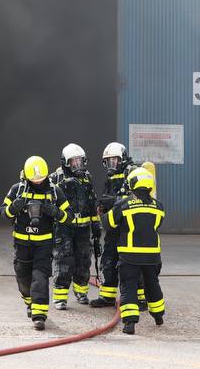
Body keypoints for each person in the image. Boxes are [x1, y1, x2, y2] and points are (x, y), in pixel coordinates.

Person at [0, 155, 70, 330]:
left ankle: (39, 315)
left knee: (40, 277)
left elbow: (69, 217)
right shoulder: (17, 189)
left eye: (41, 179)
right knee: (23, 277)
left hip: (44, 244)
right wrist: (13, 208)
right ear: (27, 176)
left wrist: (55, 212)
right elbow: (2, 212)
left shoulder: (55, 192)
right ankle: (30, 303)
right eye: (34, 180)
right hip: (22, 243)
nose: (38, 182)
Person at [106, 167, 165, 335]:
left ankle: (130, 324)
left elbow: (108, 224)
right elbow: (158, 224)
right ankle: (158, 316)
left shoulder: (124, 205)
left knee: (128, 287)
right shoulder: (158, 206)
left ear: (132, 183)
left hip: (129, 257)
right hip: (153, 257)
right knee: (152, 285)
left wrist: (108, 208)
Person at [89, 141, 136, 308]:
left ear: (122, 158)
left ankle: (140, 299)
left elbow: (138, 199)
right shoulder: (110, 178)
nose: (112, 164)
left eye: (114, 160)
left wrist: (115, 201)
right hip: (113, 227)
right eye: (108, 161)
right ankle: (108, 296)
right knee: (108, 260)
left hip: (129, 228)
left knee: (131, 264)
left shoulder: (132, 172)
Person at [50, 143, 96, 309]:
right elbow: (48, 203)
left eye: (80, 161)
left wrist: (96, 224)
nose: (77, 165)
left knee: (83, 260)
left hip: (83, 228)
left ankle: (81, 292)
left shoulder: (86, 177)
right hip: (64, 228)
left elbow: (92, 202)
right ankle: (60, 298)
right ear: (65, 162)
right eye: (73, 162)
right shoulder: (55, 178)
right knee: (64, 259)